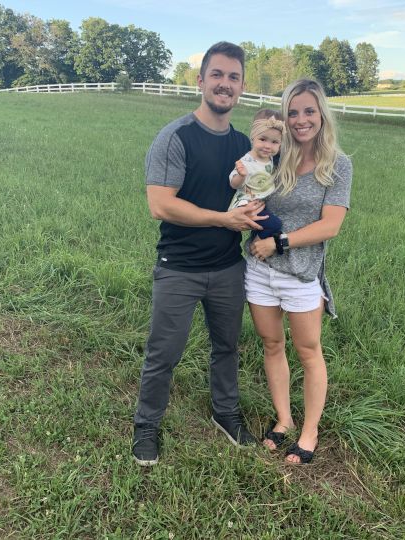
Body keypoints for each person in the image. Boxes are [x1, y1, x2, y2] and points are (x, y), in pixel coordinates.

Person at [132, 42, 266, 466]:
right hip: (179, 268)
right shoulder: (176, 137)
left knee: (227, 347)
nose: (225, 84)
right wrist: (223, 220)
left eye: (233, 77)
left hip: (228, 268)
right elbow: (160, 205)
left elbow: (255, 196)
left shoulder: (245, 146)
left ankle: (226, 413)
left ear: (241, 87)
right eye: (217, 75)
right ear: (201, 80)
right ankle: (146, 425)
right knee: (164, 353)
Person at [246, 79, 353, 464]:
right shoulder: (276, 155)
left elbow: (330, 226)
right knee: (272, 344)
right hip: (260, 270)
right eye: (293, 112)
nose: (301, 120)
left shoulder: (337, 164)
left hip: (302, 274)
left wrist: (279, 242)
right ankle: (284, 419)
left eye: (309, 111)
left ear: (322, 113)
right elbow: (250, 191)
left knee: (308, 351)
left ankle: (310, 431)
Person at [228, 109, 283, 239]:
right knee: (275, 224)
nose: (268, 146)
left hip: (259, 203)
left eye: (274, 142)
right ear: (253, 137)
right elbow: (233, 184)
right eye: (263, 139)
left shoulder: (270, 158)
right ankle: (258, 242)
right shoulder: (247, 161)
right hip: (247, 206)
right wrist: (241, 176)